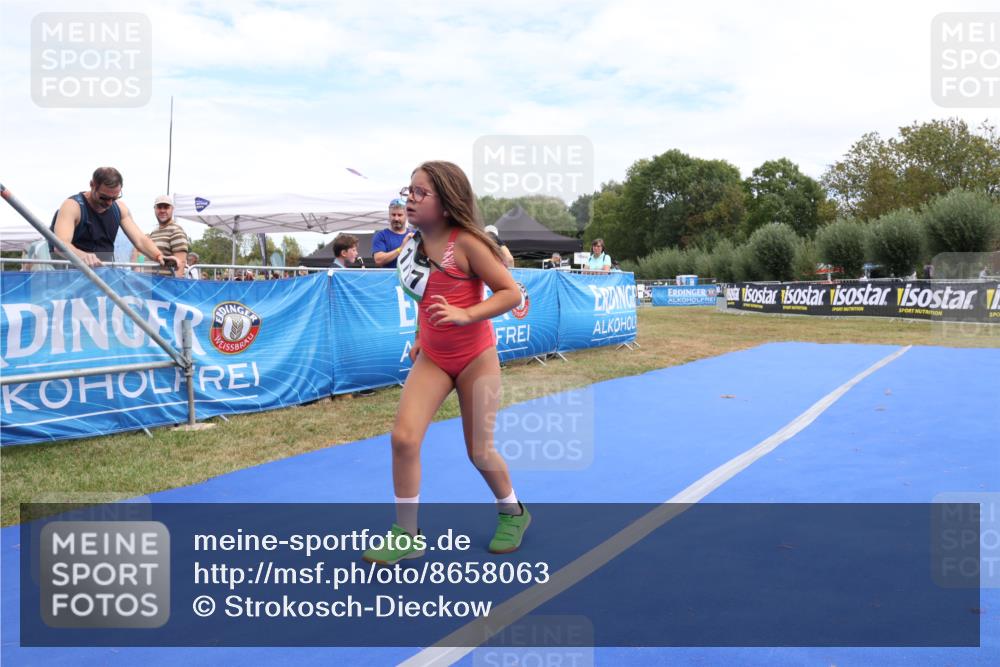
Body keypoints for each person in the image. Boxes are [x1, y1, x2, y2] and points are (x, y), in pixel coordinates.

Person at [362, 161, 529, 565]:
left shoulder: (467, 243)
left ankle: (513, 512)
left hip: (476, 359)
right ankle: (407, 535)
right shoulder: (412, 245)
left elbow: (510, 293)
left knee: (480, 452)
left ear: (447, 201)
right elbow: (426, 298)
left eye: (421, 192)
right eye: (409, 190)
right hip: (434, 359)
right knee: (403, 439)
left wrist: (467, 314)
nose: (410, 199)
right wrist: (421, 335)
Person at [50, 166, 169, 269]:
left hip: (104, 275)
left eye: (115, 198)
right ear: (92, 185)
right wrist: (83, 256)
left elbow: (140, 240)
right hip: (72, 276)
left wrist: (159, 256)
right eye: (104, 197)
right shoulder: (72, 206)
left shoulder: (119, 208)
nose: (109, 203)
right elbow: (60, 245)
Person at [131, 195, 189, 277]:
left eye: (166, 207)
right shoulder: (154, 232)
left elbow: (180, 265)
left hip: (166, 283)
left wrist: (175, 284)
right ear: (154, 209)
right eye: (159, 207)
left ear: (172, 209)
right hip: (151, 282)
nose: (162, 210)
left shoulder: (176, 231)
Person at [372, 198, 413, 268]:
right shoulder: (381, 235)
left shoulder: (414, 235)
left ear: (406, 216)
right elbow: (378, 260)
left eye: (400, 215)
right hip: (389, 275)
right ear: (389, 216)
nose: (396, 218)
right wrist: (401, 248)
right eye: (393, 215)